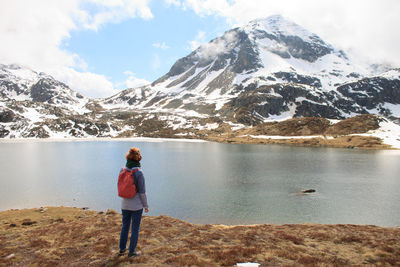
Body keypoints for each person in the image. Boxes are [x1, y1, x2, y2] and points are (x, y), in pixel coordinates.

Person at [119, 147, 149, 258]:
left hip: (124, 204)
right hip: (136, 206)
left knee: (125, 226)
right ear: (138, 158)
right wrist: (146, 205)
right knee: (135, 228)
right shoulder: (139, 173)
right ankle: (131, 252)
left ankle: (122, 249)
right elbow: (142, 192)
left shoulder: (123, 169)